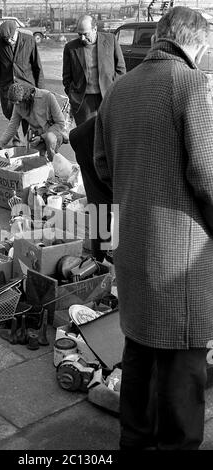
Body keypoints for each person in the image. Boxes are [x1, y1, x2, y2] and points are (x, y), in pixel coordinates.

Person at [94, 6, 213, 450]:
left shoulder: (118, 89)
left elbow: (102, 167)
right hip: (181, 248)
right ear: (194, 42)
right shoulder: (191, 83)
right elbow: (206, 173)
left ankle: (135, 437)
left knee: (140, 345)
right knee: (183, 357)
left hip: (133, 241)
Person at [62, 14, 126, 126]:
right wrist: (73, 95)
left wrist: (113, 90)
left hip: (107, 98)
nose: (82, 38)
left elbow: (120, 69)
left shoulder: (110, 40)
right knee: (87, 137)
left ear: (95, 29)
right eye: (79, 34)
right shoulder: (70, 48)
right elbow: (67, 77)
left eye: (85, 34)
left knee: (108, 133)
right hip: (83, 102)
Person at [0, 20, 45, 143]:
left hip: (27, 86)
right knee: (10, 115)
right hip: (7, 87)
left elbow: (37, 66)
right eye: (6, 40)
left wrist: (41, 89)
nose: (9, 42)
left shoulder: (29, 40)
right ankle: (16, 141)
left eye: (11, 38)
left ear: (16, 31)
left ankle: (30, 142)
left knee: (29, 116)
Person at [69, 117, 112, 262]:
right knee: (103, 207)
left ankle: (100, 261)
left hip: (87, 137)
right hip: (90, 142)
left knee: (101, 208)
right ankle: (103, 262)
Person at [0, 82, 68, 161]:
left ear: (26, 95)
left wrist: (41, 137)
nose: (18, 105)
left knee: (49, 139)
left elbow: (60, 123)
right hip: (35, 137)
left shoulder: (48, 97)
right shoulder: (17, 105)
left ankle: (54, 165)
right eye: (15, 103)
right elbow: (12, 127)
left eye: (19, 102)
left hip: (53, 134)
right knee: (33, 160)